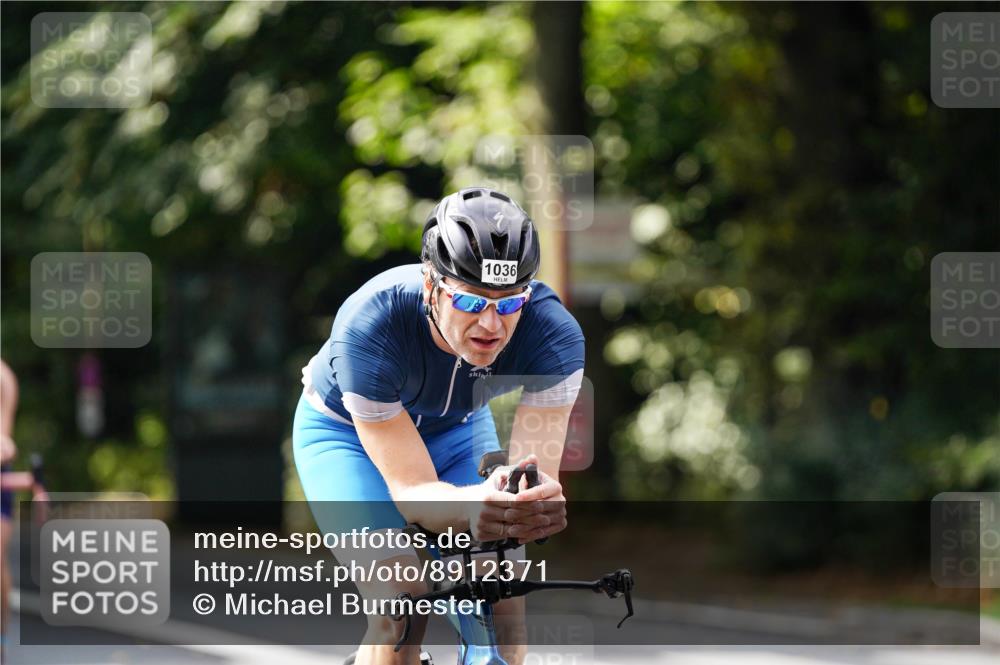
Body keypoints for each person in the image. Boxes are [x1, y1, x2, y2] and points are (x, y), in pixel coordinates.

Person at [293, 187, 585, 665]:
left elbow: (531, 486)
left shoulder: (554, 337)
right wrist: (476, 506)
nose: (492, 324)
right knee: (403, 599)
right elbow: (412, 494)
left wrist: (529, 507)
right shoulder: (370, 326)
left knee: (502, 589)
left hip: (457, 429)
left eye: (509, 304)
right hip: (345, 437)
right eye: (471, 303)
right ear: (431, 286)